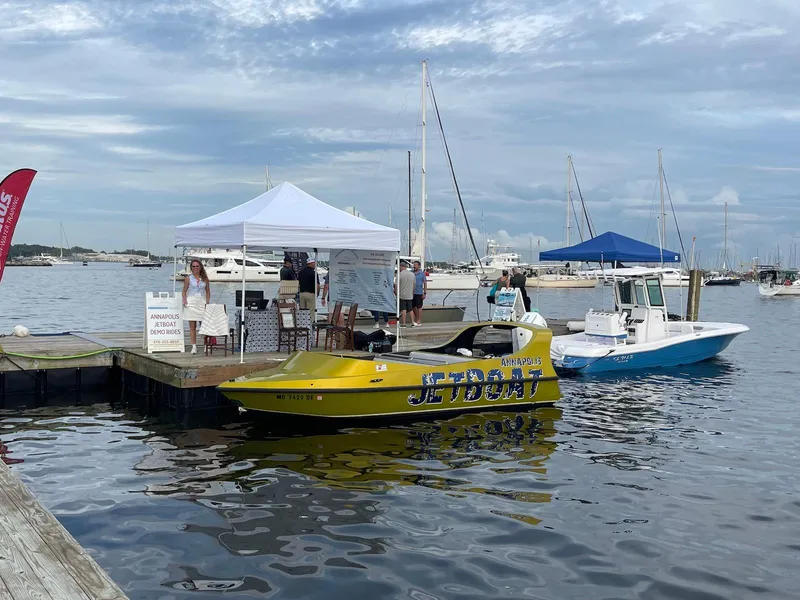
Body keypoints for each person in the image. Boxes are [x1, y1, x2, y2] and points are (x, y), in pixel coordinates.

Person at [182, 259, 210, 355]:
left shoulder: (205, 278)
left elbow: (207, 291)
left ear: (200, 267)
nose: (195, 268)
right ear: (191, 268)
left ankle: (206, 345)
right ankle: (194, 346)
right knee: (192, 326)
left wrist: (207, 302)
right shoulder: (188, 278)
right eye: (193, 266)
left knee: (204, 325)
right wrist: (184, 299)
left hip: (201, 302)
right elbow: (184, 290)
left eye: (197, 266)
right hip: (192, 302)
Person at [397, 261, 415, 327]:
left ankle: (404, 323)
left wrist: (396, 292)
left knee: (403, 309)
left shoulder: (399, 274)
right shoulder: (412, 274)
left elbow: (396, 285)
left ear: (401, 267)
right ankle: (412, 322)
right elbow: (414, 285)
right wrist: (412, 293)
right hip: (410, 295)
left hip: (402, 295)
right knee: (410, 309)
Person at [411, 260, 427, 326]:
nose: (414, 266)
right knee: (413, 307)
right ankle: (416, 318)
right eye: (414, 265)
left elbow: (425, 283)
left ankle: (419, 320)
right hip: (411, 293)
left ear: (419, 266)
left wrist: (425, 293)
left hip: (419, 292)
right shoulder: (411, 273)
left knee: (419, 307)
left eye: (415, 265)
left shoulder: (422, 274)